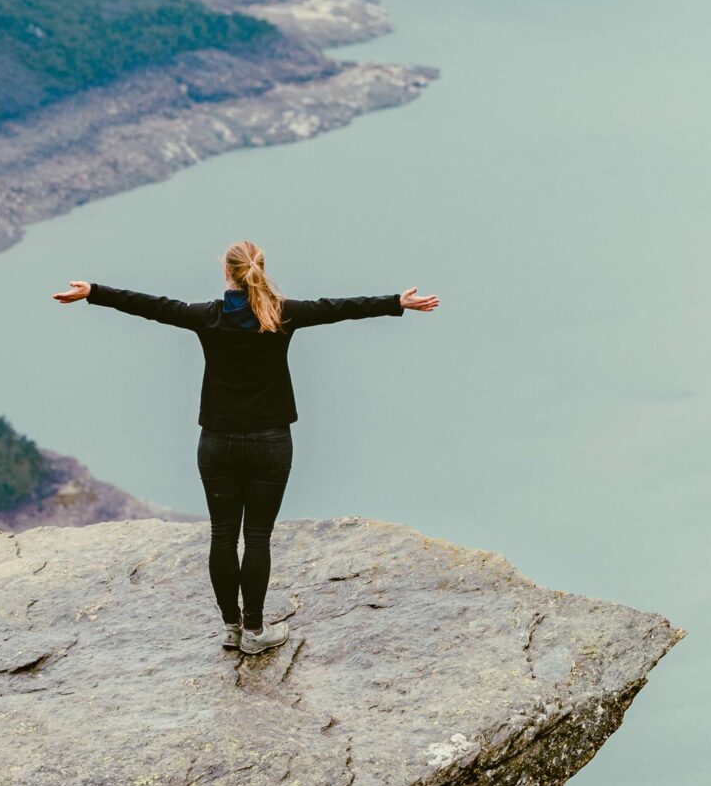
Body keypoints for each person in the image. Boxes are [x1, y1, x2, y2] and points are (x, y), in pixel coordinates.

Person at [54, 243, 438, 654]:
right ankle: (255, 632)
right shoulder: (282, 314)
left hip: (217, 442)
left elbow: (153, 306)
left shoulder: (207, 317)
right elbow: (339, 307)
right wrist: (397, 302)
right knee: (257, 537)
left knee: (222, 535)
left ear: (227, 273)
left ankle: (231, 630)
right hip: (270, 443)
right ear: (261, 270)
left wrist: (94, 291)